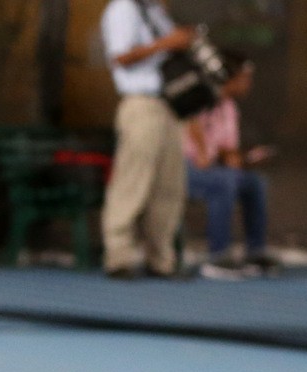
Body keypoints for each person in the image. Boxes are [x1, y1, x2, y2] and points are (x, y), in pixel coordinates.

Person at [99, 0, 194, 279]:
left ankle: (161, 260)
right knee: (132, 181)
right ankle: (119, 258)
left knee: (169, 186)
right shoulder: (122, 9)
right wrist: (166, 43)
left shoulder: (155, 11)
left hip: (172, 104)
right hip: (141, 104)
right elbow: (120, 57)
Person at [183, 51, 277, 280]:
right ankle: (218, 257)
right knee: (224, 181)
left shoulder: (229, 107)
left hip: (214, 169)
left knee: (254, 183)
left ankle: (255, 252)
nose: (248, 84)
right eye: (244, 78)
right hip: (181, 168)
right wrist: (205, 152)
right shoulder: (197, 98)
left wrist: (245, 158)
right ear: (227, 77)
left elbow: (227, 152)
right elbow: (191, 127)